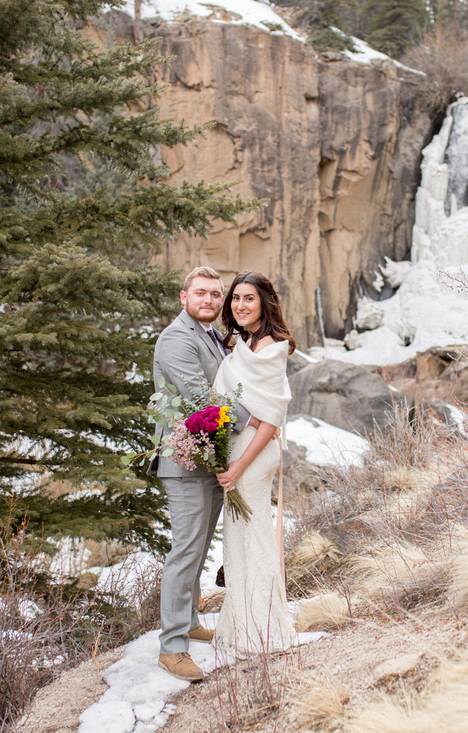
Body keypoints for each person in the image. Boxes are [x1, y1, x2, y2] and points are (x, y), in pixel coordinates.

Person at [153, 266, 259, 682]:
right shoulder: (177, 338)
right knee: (185, 551)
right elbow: (202, 399)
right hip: (184, 464)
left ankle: (190, 619)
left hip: (208, 459)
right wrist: (256, 422)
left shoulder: (210, 335)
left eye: (217, 295)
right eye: (202, 294)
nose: (211, 301)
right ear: (184, 297)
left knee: (197, 548)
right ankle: (172, 647)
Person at [213, 271, 297, 657]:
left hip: (252, 453)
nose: (240, 305)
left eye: (249, 298)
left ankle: (264, 629)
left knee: (254, 535)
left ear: (264, 302)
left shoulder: (270, 347)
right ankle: (246, 624)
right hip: (239, 447)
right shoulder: (245, 342)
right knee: (239, 538)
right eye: (235, 299)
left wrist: (238, 467)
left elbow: (269, 421)